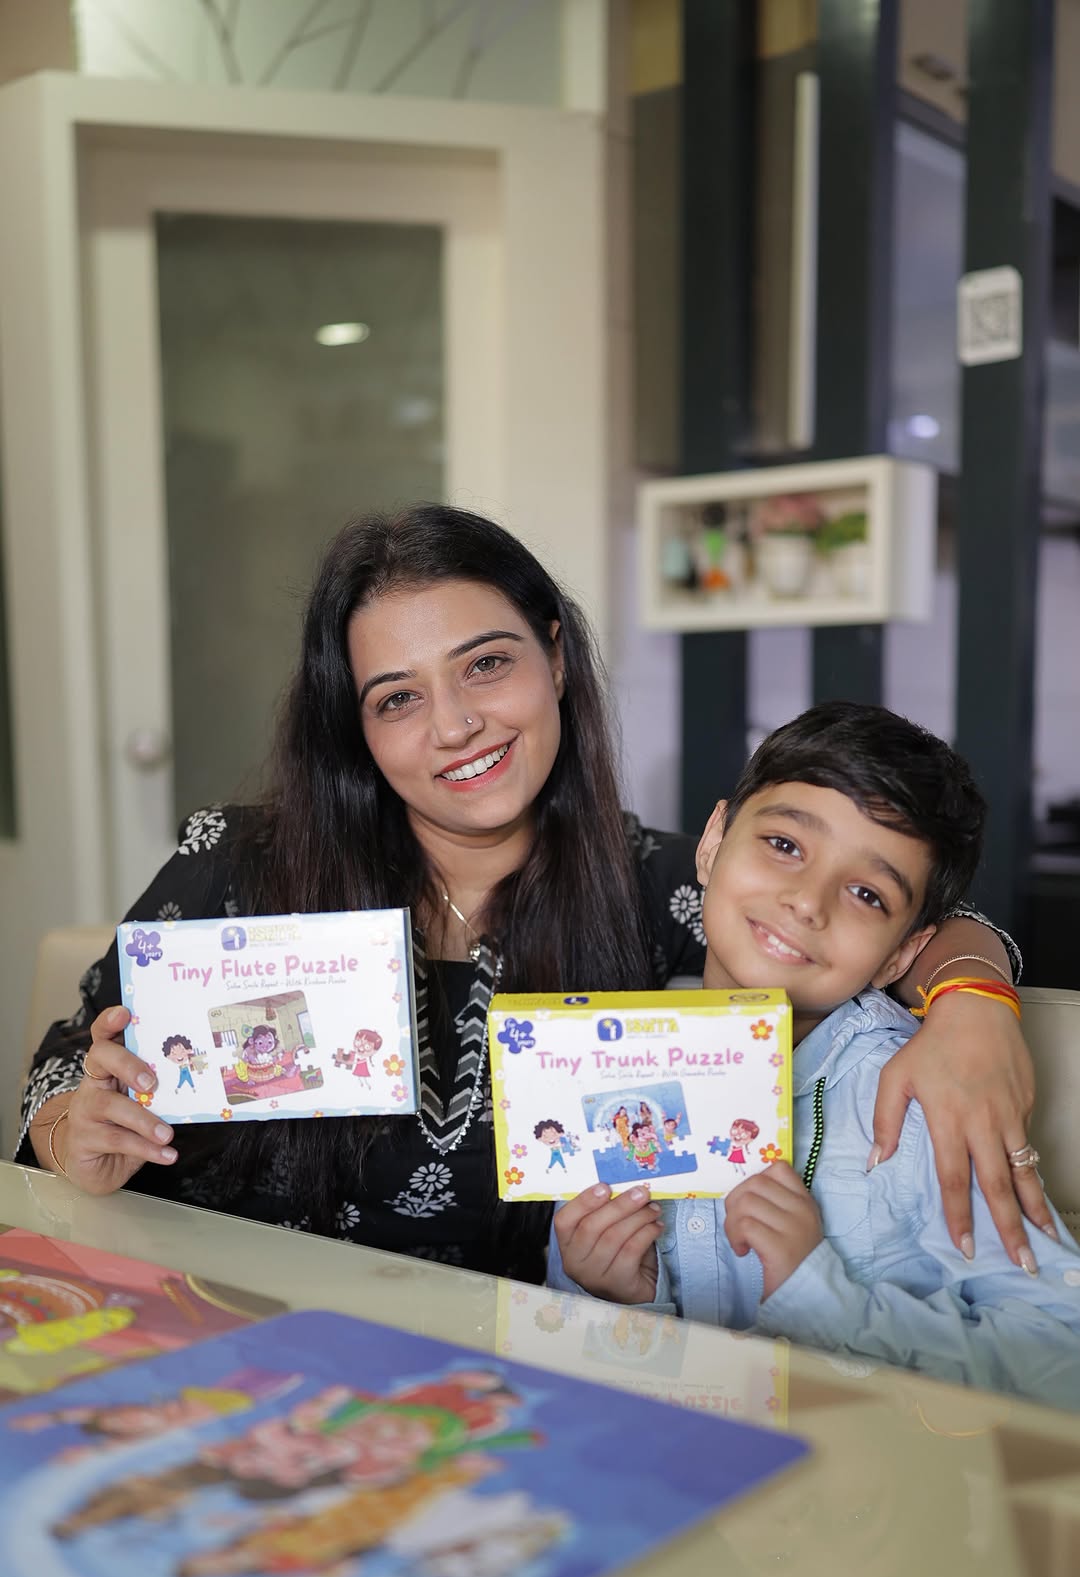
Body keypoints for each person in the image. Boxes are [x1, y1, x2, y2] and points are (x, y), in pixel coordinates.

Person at [15, 507, 1046, 1283]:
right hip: (209, 1312)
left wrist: (976, 1006)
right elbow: (74, 1046)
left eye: (486, 665)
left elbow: (903, 912)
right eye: (398, 698)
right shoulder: (246, 860)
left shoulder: (656, 888)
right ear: (358, 732)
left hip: (497, 1375)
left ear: (554, 657)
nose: (454, 725)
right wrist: (74, 1127)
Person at [549, 703, 1080, 1405]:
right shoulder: (612, 1064)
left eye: (866, 893)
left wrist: (819, 1296)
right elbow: (573, 1361)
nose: (807, 902)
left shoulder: (924, 1098)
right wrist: (617, 1299)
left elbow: (1063, 1355)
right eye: (784, 844)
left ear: (902, 953)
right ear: (711, 844)